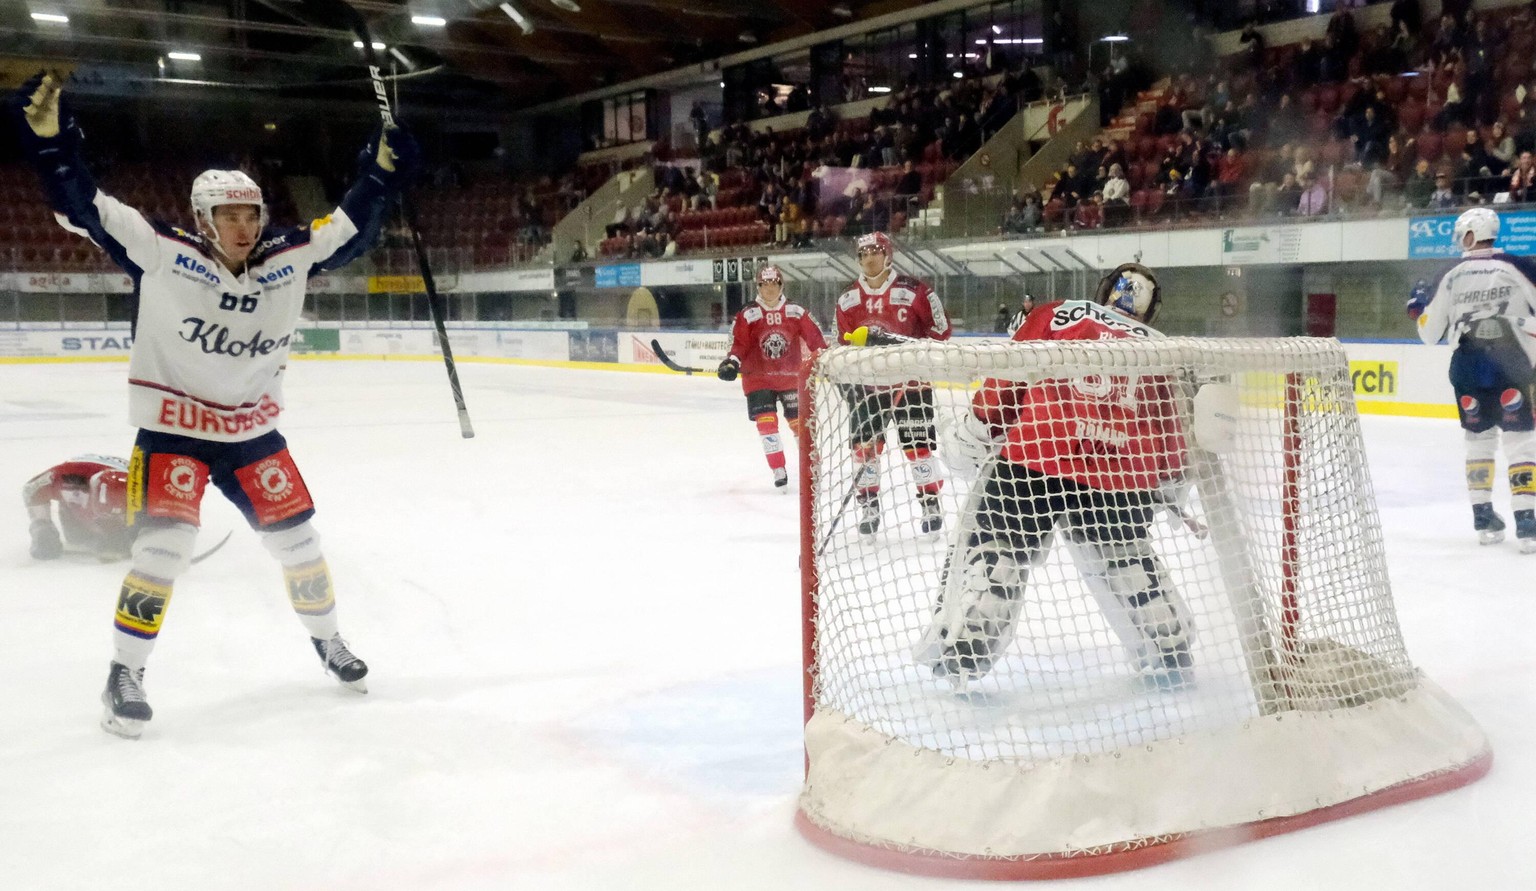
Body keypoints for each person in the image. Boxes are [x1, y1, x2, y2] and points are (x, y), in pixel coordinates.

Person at [14, 71, 417, 738]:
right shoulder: (162, 251)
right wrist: (54, 144)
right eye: (228, 215)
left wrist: (382, 173)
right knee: (163, 550)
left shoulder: (288, 256)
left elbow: (353, 227)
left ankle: (329, 640)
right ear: (203, 218)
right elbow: (85, 205)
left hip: (253, 432)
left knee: (300, 545)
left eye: (251, 213)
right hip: (173, 432)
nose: (242, 225)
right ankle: (124, 673)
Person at [921, 264, 1197, 691]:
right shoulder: (1159, 348)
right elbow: (1170, 428)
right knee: (1124, 561)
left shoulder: (1055, 313)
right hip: (1119, 470)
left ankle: (965, 644)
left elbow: (1008, 376)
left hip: (1037, 451)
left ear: (1105, 291)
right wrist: (1174, 481)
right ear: (1151, 308)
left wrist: (976, 429)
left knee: (999, 552)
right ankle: (1168, 648)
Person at [1408, 207, 1536, 551]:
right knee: (1519, 440)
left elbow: (1429, 334)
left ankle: (1483, 516)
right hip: (1512, 364)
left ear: (1472, 234)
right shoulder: (1518, 265)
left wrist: (1417, 308)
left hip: (1467, 367)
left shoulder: (1448, 274)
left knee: (1478, 440)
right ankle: (1527, 522)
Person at [835, 231, 952, 535]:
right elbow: (843, 345)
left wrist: (912, 352)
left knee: (918, 447)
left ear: (887, 254)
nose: (868, 259)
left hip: (911, 385)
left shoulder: (915, 290)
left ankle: (930, 502)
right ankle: (869, 505)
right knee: (864, 450)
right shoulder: (848, 297)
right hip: (867, 388)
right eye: (862, 254)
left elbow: (941, 329)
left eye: (874, 252)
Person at [717, 265, 827, 489]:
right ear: (758, 286)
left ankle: (811, 467)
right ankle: (778, 469)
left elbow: (815, 338)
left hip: (790, 379)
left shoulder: (795, 311)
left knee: (800, 425)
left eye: (773, 284)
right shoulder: (748, 313)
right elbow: (739, 344)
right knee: (767, 425)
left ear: (781, 285)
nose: (769, 289)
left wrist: (826, 357)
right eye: (764, 285)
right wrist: (731, 362)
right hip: (759, 380)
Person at [23, 455, 133, 561]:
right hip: (99, 491)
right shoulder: (53, 480)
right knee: (76, 538)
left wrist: (41, 524)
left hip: (115, 488)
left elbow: (31, 489)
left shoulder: (54, 480)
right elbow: (31, 490)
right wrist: (42, 527)